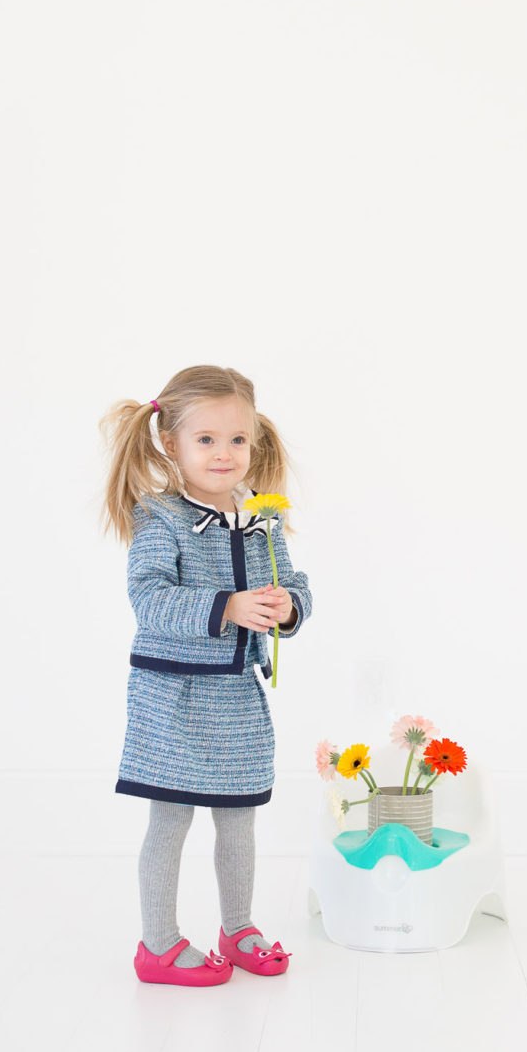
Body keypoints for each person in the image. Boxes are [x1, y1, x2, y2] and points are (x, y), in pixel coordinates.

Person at [98, 363, 313, 988]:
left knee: (239, 814)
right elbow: (149, 598)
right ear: (172, 443)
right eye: (206, 440)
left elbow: (292, 582)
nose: (225, 454)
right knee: (170, 818)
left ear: (255, 442)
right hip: (172, 693)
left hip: (236, 694)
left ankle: (237, 926)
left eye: (237, 440)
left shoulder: (261, 517)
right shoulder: (159, 516)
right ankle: (158, 944)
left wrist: (287, 606)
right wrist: (227, 606)